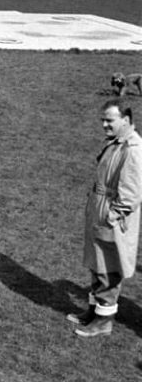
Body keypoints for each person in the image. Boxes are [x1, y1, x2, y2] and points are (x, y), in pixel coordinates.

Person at [67, 99, 142, 337]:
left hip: (112, 217)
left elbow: (131, 195)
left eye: (109, 120)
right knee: (96, 264)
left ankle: (104, 320)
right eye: (103, 120)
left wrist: (111, 216)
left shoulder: (133, 150)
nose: (104, 125)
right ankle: (93, 310)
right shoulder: (116, 143)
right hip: (101, 209)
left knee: (108, 269)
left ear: (126, 120)